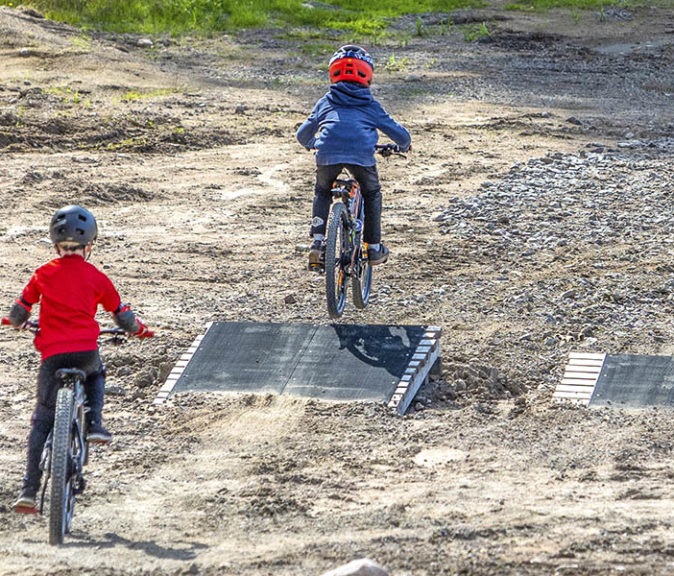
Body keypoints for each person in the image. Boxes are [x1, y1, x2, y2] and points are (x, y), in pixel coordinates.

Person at [5, 205, 153, 513]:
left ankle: (29, 490)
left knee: (42, 421)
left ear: (56, 244)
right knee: (97, 373)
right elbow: (124, 319)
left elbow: (20, 311)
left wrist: (17, 321)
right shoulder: (97, 277)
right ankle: (95, 423)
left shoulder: (43, 274)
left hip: (52, 357)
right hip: (85, 353)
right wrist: (138, 331)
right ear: (89, 246)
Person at [296, 45, 411, 268]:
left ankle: (318, 243)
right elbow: (402, 136)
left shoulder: (325, 102)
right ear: (367, 75)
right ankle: (374, 247)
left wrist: (314, 144)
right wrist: (402, 146)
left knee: (322, 191)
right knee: (372, 193)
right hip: (362, 156)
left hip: (327, 154)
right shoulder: (370, 105)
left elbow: (302, 135)